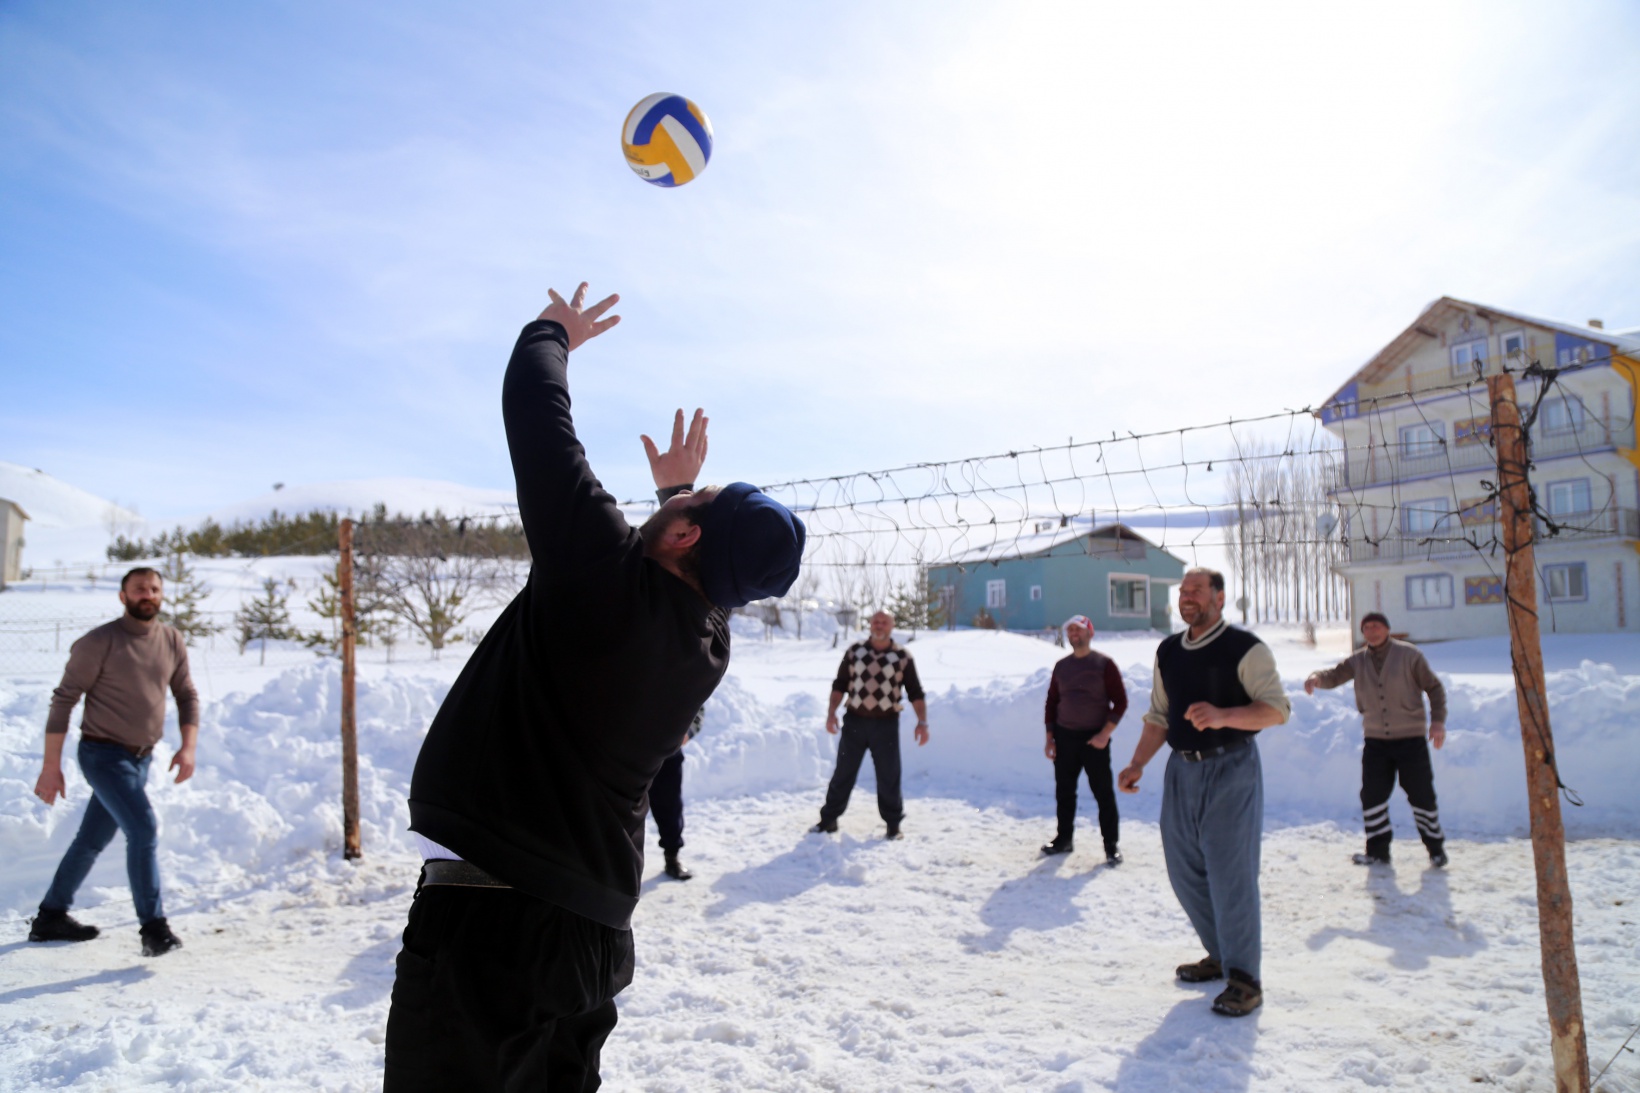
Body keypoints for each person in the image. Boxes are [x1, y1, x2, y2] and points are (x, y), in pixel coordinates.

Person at [383, 283, 805, 1091]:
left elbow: (537, 417)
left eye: (694, 499)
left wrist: (553, 331)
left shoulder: (602, 575)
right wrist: (677, 498)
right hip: (590, 938)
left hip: (494, 925)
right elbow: (690, 577)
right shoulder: (706, 646)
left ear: (684, 531)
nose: (683, 494)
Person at [1117, 568, 1290, 1018]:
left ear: (1219, 597)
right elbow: (1160, 715)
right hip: (1181, 770)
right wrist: (1137, 763)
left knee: (1231, 873)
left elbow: (1276, 710)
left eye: (1196, 590)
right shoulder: (1169, 651)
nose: (1187, 596)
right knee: (1184, 870)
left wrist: (1224, 715)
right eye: (1183, 591)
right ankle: (1222, 953)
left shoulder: (1244, 647)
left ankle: (1245, 980)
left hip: (1231, 767)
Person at [29, 567, 196, 957]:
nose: (147, 595)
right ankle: (153, 928)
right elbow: (63, 701)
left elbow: (186, 693)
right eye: (139, 589)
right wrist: (51, 766)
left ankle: (51, 916)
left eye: (154, 589)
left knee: (92, 840)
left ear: (161, 595)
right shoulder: (99, 642)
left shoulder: (171, 639)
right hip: (102, 755)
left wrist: (188, 746)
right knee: (143, 828)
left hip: (141, 759)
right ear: (122, 596)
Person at [1305, 612, 1449, 868]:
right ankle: (1377, 851)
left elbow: (1434, 688)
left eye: (1376, 626)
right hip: (1376, 742)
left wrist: (1437, 721)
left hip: (1410, 739)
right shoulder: (1358, 660)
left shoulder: (1409, 655)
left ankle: (1436, 849)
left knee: (1422, 795)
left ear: (1387, 629)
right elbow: (1335, 675)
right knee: (1372, 796)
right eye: (1367, 627)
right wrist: (1317, 678)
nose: (1372, 631)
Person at [810, 610, 929, 839]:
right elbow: (840, 684)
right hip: (855, 721)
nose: (879, 626)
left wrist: (922, 722)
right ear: (870, 625)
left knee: (889, 775)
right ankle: (828, 820)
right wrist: (831, 713)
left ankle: (893, 825)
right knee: (843, 772)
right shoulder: (854, 652)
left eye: (884, 622)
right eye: (875, 622)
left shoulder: (902, 657)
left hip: (886, 724)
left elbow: (915, 692)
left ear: (892, 626)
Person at [1040, 614, 1128, 864]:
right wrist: (1050, 737)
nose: (1074, 634)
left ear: (1090, 633)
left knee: (1103, 794)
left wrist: (1105, 734)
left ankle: (1111, 846)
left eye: (1078, 630)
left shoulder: (1104, 664)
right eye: (1070, 631)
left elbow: (1120, 701)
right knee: (1065, 792)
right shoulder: (1062, 666)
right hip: (1064, 738)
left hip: (1094, 740)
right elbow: (1052, 702)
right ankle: (1063, 839)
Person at [649, 708, 704, 881]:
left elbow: (697, 705)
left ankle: (671, 857)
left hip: (667, 752)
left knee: (669, 807)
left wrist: (687, 732)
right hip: (622, 751)